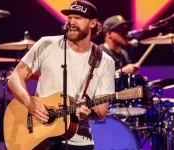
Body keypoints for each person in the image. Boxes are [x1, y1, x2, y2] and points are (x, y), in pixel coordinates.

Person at [8, 1, 115, 150]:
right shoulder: (46, 44)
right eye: (69, 17)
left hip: (79, 140)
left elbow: (101, 111)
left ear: (92, 23)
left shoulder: (104, 61)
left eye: (77, 18)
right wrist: (30, 103)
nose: (71, 22)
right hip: (39, 138)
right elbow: (15, 78)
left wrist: (89, 111)